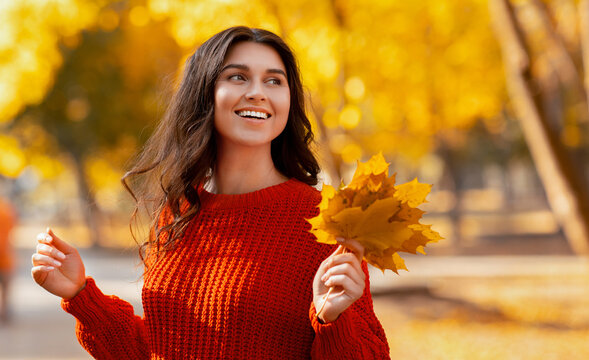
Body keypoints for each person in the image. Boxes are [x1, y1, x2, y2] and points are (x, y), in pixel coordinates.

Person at [31, 26, 390, 359]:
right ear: (204, 93)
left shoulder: (325, 222)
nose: (257, 92)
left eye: (274, 81)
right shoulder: (180, 211)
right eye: (238, 76)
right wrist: (81, 296)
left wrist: (332, 321)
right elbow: (159, 350)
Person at [0, 196, 16, 324]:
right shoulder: (6, 209)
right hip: (5, 254)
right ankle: (4, 311)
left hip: (5, 255)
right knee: (5, 287)